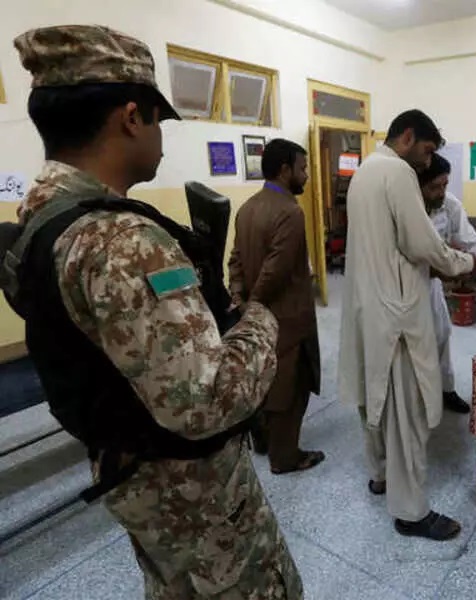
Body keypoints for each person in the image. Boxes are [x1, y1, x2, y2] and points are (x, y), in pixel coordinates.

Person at [6, 25, 302, 598]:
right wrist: (259, 320)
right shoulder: (123, 241)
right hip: (191, 491)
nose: (162, 138)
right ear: (130, 118)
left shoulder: (41, 218)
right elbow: (206, 401)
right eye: (159, 120)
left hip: (130, 472)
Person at [339, 110, 476, 541]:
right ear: (406, 137)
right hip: (397, 313)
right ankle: (411, 511)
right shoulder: (398, 172)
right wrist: (469, 262)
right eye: (427, 149)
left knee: (375, 400)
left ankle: (381, 474)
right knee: (407, 414)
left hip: (368, 305)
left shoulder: (364, 171)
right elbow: (422, 245)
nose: (428, 160)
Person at [229, 138, 324, 475]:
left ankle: (265, 440)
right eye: (303, 168)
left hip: (257, 316)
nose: (306, 175)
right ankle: (285, 458)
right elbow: (276, 270)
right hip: (287, 317)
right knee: (290, 389)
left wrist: (240, 301)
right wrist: (254, 303)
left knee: (265, 381)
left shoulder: (247, 208)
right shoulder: (290, 212)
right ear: (285, 170)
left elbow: (236, 259)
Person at [419, 153, 476, 414]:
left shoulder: (449, 205)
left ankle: (446, 390)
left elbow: (471, 240)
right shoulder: (408, 207)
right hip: (405, 286)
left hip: (432, 285)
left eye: (444, 185)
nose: (440, 192)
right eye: (434, 187)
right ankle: (417, 398)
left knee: (441, 335)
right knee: (413, 346)